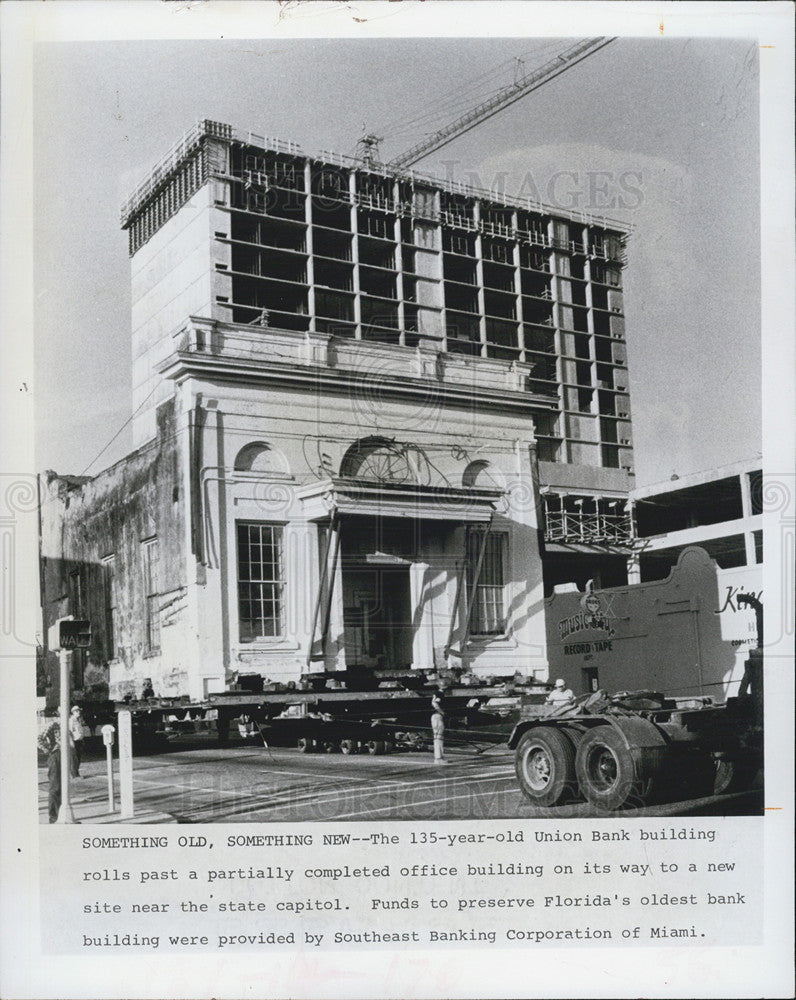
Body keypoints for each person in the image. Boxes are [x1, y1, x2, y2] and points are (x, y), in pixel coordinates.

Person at [68, 705, 85, 777]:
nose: (79, 712)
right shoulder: (71, 720)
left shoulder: (78, 720)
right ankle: (74, 774)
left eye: (79, 711)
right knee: (74, 758)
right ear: (73, 712)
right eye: (77, 711)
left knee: (78, 757)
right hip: (74, 741)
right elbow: (69, 731)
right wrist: (71, 741)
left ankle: (76, 773)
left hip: (79, 741)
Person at [431, 688, 446, 763]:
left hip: (436, 716)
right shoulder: (439, 694)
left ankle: (439, 756)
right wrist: (441, 711)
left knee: (438, 737)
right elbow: (434, 703)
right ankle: (439, 757)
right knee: (439, 736)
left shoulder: (438, 693)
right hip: (437, 716)